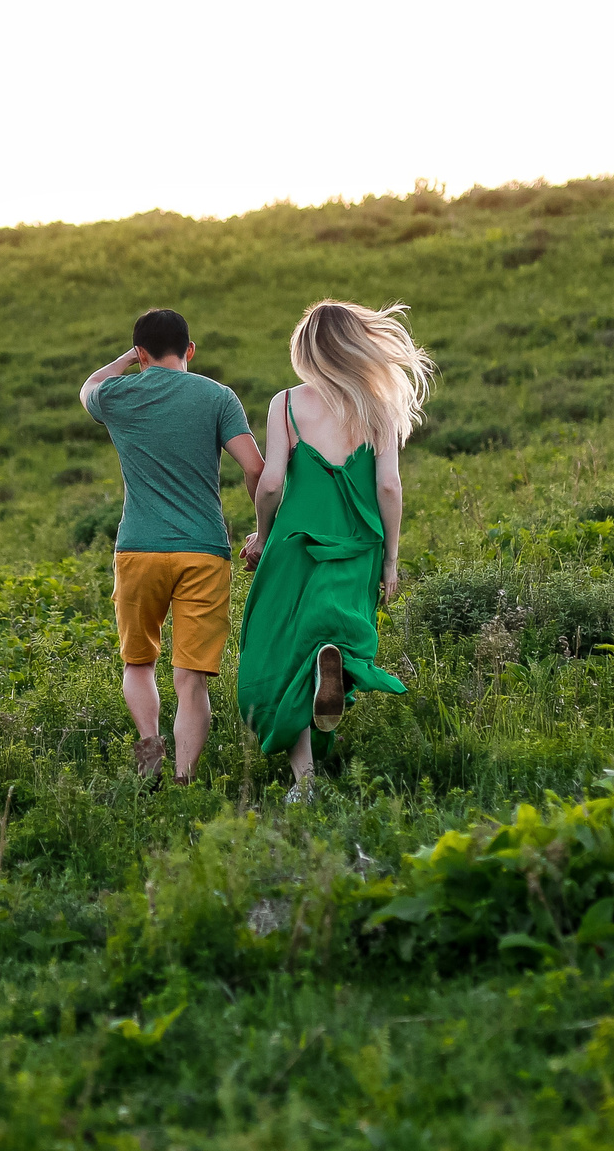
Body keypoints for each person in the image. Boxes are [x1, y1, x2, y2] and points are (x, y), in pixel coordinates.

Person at [236, 299, 432, 801]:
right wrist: (390, 558)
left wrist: (261, 534)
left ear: (307, 350)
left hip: (295, 544)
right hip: (357, 545)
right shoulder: (379, 406)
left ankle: (305, 781)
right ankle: (335, 664)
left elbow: (272, 482)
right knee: (337, 636)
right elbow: (389, 487)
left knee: (280, 649)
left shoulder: (285, 403)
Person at [80, 309, 264, 784]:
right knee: (191, 678)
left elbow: (88, 388)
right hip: (203, 551)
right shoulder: (218, 396)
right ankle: (184, 780)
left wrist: (130, 358)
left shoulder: (118, 394)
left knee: (138, 662)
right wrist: (264, 533)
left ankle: (150, 753)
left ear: (140, 353)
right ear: (191, 350)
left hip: (137, 549)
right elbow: (255, 468)